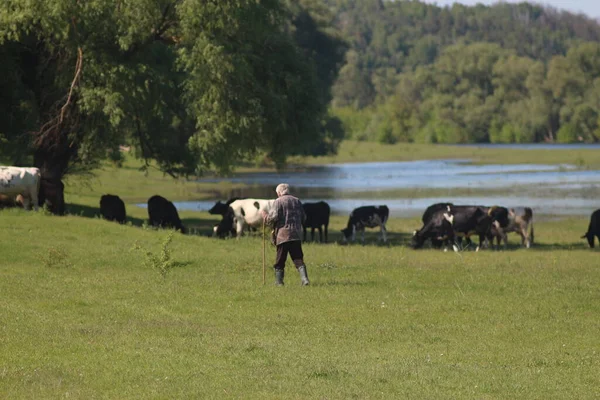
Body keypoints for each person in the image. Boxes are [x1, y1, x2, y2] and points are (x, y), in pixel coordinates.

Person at [262, 183, 310, 286]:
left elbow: (272, 218)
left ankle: (279, 282)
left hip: (283, 236)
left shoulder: (278, 201)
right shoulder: (297, 201)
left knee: (280, 260)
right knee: (298, 258)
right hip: (296, 235)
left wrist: (265, 216)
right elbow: (304, 218)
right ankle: (305, 279)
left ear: (279, 192)